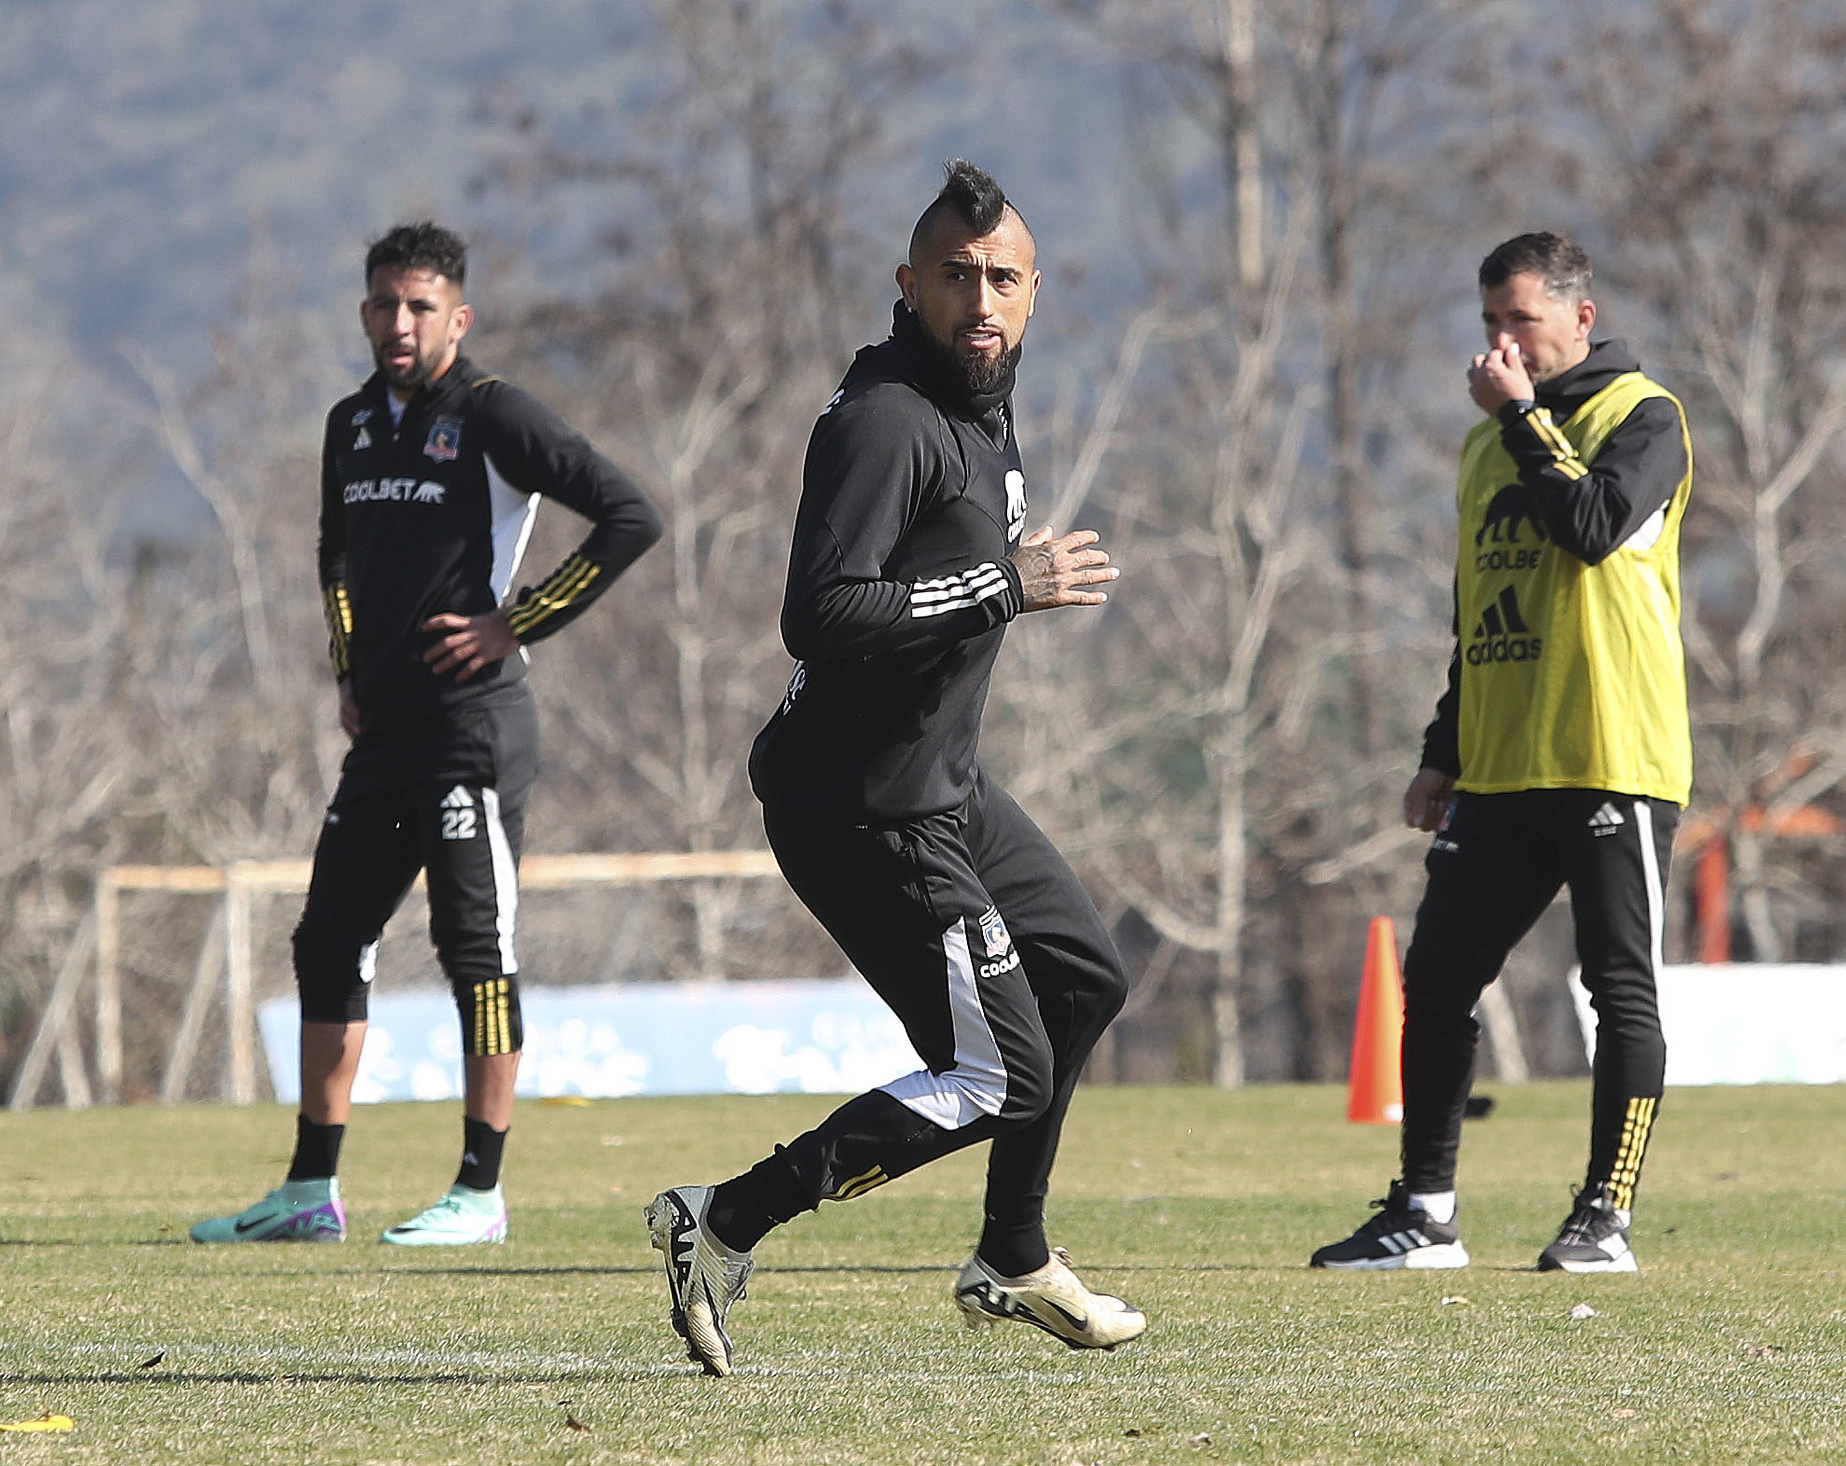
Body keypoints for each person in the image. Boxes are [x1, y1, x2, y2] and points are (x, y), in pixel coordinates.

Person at [643, 160, 1143, 1376]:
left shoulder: (979, 399)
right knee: (996, 1070)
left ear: (1035, 292)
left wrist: (986, 576)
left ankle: (1011, 1256)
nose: (981, 300)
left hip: (943, 784)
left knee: (1081, 981)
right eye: (957, 278)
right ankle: (721, 1219)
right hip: (860, 808)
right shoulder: (884, 419)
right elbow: (818, 612)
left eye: (1002, 279)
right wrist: (1003, 581)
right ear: (908, 284)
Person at [192, 222, 662, 1246]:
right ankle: (310, 1190)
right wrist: (349, 664)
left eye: (418, 306)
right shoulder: (350, 423)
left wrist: (513, 621)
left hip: (473, 730)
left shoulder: (494, 415)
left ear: (458, 315)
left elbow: (630, 515)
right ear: (362, 311)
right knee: (326, 938)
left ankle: (478, 1191)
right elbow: (335, 554)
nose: (397, 323)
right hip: (386, 733)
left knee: (474, 949)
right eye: (381, 304)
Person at [1312, 232, 1693, 1275]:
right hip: (1501, 762)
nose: (1498, 343)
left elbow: (1590, 524)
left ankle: (1601, 1216)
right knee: (1434, 980)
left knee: (1615, 988)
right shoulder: (1484, 445)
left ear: (1579, 314)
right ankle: (1423, 1211)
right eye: (1487, 323)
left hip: (1610, 753)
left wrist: (1521, 415)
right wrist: (1442, 748)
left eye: (1517, 320)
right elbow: (1475, 611)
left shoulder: (1642, 416)